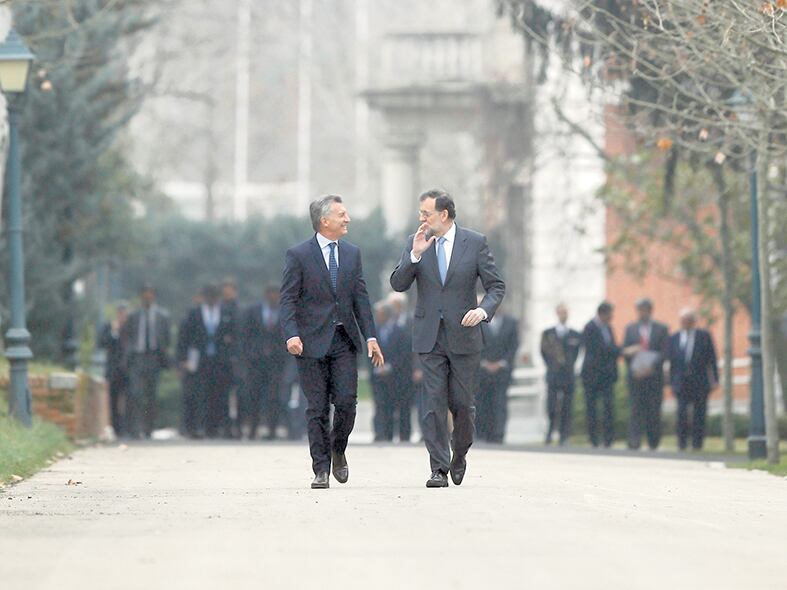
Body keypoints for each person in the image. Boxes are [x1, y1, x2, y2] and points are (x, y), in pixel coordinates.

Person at [390, 189, 505, 488]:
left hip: (465, 336)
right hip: (429, 337)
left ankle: (460, 452)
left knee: (463, 405)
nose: (421, 219)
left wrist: (482, 311)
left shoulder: (475, 242)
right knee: (432, 403)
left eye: (425, 213)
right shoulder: (416, 243)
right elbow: (398, 283)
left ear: (444, 214)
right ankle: (438, 468)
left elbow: (496, 287)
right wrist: (414, 255)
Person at [280, 195, 384, 489]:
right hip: (309, 343)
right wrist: (291, 334)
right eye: (342, 214)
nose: (347, 218)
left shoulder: (352, 254)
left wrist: (371, 336)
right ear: (324, 221)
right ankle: (321, 468)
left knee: (347, 403)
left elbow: (360, 298)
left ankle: (338, 449)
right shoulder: (298, 255)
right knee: (316, 408)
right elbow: (287, 299)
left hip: (344, 340)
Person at [177, 284, 235, 438]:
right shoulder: (194, 313)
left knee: (218, 395)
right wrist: (182, 359)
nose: (212, 300)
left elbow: (235, 336)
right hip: (198, 361)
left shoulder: (226, 313)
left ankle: (214, 428)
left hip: (220, 361)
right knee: (199, 395)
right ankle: (197, 427)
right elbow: (183, 338)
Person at [122, 284, 171, 439]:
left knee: (151, 394)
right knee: (134, 393)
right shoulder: (134, 315)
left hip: (154, 358)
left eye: (150, 294)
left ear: (154, 296)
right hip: (137, 357)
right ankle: (135, 428)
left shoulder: (162, 316)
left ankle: (148, 428)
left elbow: (167, 338)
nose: (148, 297)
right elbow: (126, 336)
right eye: (145, 294)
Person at [242, 284, 289, 440]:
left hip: (276, 362)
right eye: (271, 294)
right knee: (253, 395)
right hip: (256, 362)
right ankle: (252, 428)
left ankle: (272, 429)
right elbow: (245, 335)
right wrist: (248, 354)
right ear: (266, 295)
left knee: (273, 397)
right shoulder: (253, 311)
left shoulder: (285, 312)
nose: (274, 298)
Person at [622, 297, 669, 450]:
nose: (641, 313)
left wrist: (652, 367)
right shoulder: (630, 329)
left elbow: (665, 352)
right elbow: (625, 350)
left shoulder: (661, 329)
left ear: (650, 310)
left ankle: (653, 441)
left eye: (643, 309)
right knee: (635, 409)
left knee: (653, 410)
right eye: (639, 310)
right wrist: (631, 358)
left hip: (653, 376)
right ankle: (634, 441)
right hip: (636, 376)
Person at [668, 308, 719, 450]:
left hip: (700, 382)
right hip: (681, 382)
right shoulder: (674, 338)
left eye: (689, 320)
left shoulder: (704, 336)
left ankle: (697, 444)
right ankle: (681, 443)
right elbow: (671, 362)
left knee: (699, 414)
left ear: (693, 321)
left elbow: (712, 359)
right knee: (681, 413)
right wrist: (671, 382)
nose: (686, 323)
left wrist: (715, 379)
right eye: (683, 321)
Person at [371, 301, 413, 442]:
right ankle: (385, 435)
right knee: (383, 407)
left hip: (397, 377)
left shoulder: (400, 331)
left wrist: (389, 367)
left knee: (402, 407)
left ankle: (404, 436)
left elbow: (404, 354)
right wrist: (376, 367)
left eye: (380, 314)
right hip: (379, 377)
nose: (377, 317)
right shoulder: (373, 332)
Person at [540, 303, 581, 445]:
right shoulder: (548, 333)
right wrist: (552, 366)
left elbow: (576, 354)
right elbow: (544, 352)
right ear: (557, 313)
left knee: (567, 406)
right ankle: (550, 433)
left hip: (568, 375)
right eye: (561, 312)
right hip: (553, 375)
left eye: (565, 312)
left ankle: (564, 435)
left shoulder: (575, 334)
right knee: (551, 405)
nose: (563, 315)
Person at [477, 303, 519, 444]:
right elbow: (475, 344)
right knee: (483, 403)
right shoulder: (479, 322)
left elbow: (513, 346)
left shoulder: (511, 322)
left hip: (502, 372)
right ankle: (484, 434)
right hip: (483, 371)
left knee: (500, 404)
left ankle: (498, 434)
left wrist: (501, 363)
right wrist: (484, 362)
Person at [580, 301, 620, 448]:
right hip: (592, 375)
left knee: (608, 407)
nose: (612, 316)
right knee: (592, 408)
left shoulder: (608, 328)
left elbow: (612, 347)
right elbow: (600, 349)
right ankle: (593, 439)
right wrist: (620, 351)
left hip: (607, 376)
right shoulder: (589, 327)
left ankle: (608, 439)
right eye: (610, 313)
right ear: (603, 313)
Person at [99, 302, 130, 438]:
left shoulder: (131, 328)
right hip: (113, 370)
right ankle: (116, 428)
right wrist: (114, 332)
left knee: (128, 400)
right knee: (113, 400)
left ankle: (127, 428)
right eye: (120, 313)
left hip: (128, 369)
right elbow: (102, 343)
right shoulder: (109, 327)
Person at [221, 277, 244, 438]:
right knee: (223, 394)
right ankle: (226, 427)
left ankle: (240, 425)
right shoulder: (220, 309)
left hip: (239, 358)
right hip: (222, 359)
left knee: (241, 394)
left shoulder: (240, 310)